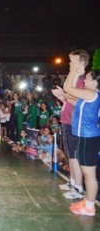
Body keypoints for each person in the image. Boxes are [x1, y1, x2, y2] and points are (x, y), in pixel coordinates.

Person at [63, 51, 100, 216]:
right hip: (85, 137)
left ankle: (90, 207)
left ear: (95, 83)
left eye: (89, 78)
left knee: (89, 175)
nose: (85, 79)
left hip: (88, 138)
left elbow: (68, 88)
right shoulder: (89, 95)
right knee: (88, 174)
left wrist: (74, 71)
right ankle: (88, 201)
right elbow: (69, 94)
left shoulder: (91, 94)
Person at [52, 50, 88, 200]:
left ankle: (78, 187)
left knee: (74, 157)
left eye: (72, 61)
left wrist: (64, 95)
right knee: (70, 155)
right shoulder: (75, 79)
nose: (69, 64)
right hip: (67, 120)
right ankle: (72, 182)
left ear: (81, 63)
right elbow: (69, 98)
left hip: (74, 122)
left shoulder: (82, 81)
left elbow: (76, 100)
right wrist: (62, 97)